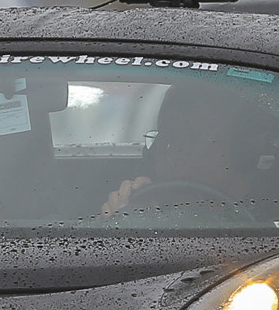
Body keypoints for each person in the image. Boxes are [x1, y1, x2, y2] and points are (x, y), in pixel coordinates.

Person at [100, 85, 267, 216]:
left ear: (242, 150)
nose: (171, 149)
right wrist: (119, 221)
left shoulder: (277, 225)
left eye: (193, 138)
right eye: (167, 137)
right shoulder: (145, 208)